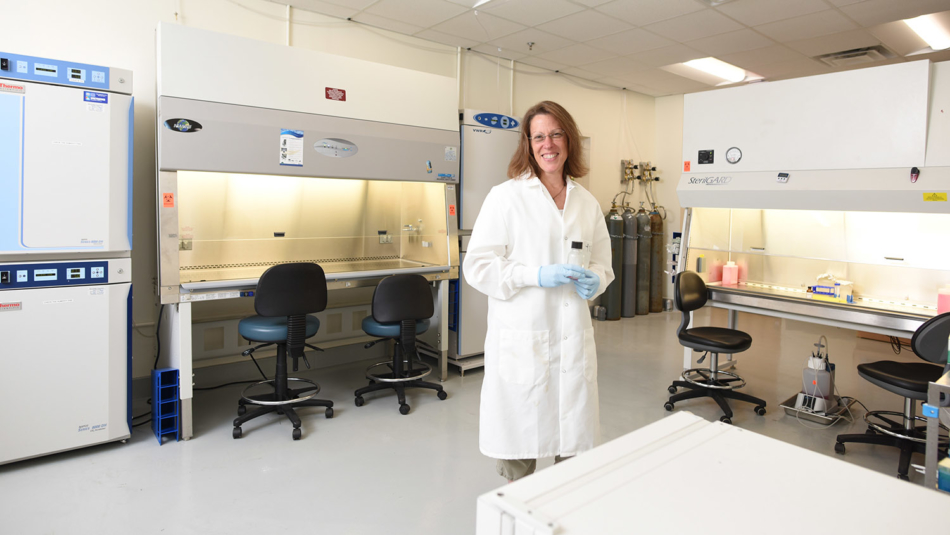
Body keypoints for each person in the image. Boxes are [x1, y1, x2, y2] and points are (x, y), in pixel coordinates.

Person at [463, 101, 615, 482]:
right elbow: (477, 266)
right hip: (522, 342)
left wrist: (597, 280)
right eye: (539, 136)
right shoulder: (505, 197)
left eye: (556, 134)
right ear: (528, 145)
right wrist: (535, 275)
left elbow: (602, 265)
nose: (549, 144)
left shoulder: (587, 202)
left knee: (572, 464)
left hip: (572, 342)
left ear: (569, 140)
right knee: (521, 467)